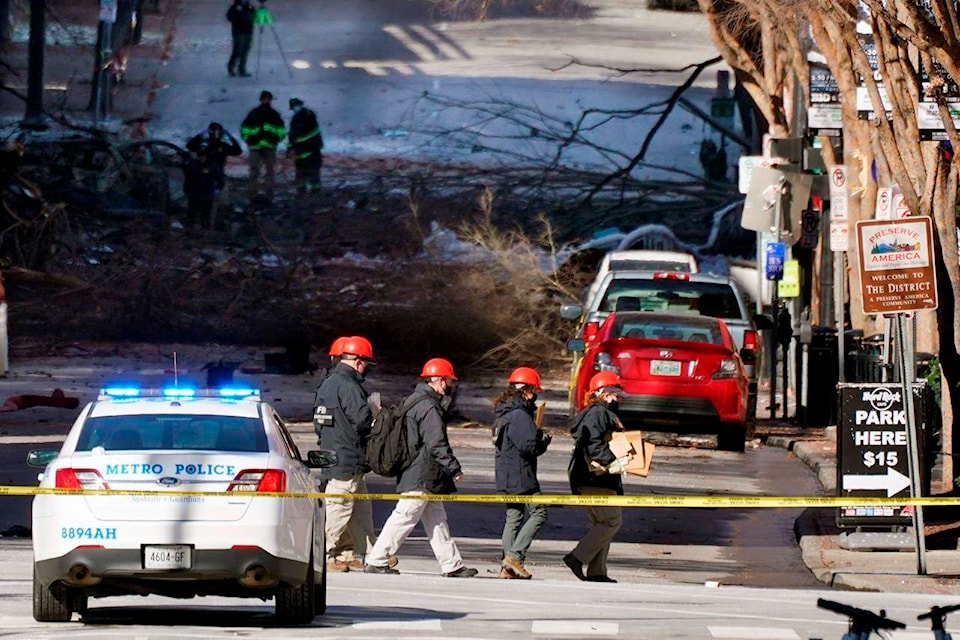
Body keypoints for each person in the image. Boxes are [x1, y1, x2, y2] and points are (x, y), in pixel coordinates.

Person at [364, 358, 478, 578]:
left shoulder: (415, 401)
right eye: (447, 381)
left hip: (419, 471)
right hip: (422, 473)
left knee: (437, 519)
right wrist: (454, 468)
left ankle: (452, 564)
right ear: (439, 381)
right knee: (404, 515)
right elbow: (436, 441)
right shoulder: (429, 406)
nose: (449, 386)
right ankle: (376, 560)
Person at [314, 336, 379, 572]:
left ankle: (356, 553)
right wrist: (376, 413)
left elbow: (319, 423)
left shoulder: (327, 384)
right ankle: (324, 553)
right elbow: (362, 421)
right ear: (359, 361)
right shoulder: (349, 386)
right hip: (348, 457)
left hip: (334, 454)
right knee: (339, 508)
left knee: (359, 510)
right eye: (366, 363)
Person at [564, 370, 625, 583]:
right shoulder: (598, 414)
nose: (618, 399)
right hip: (594, 478)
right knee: (611, 521)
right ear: (604, 393)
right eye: (615, 394)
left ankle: (597, 571)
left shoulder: (597, 413)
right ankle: (577, 557)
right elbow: (594, 444)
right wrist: (612, 461)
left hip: (591, 478)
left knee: (602, 523)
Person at [494, 366, 551, 579]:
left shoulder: (505, 411)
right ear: (526, 391)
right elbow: (528, 447)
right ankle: (514, 556)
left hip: (506, 474)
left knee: (514, 516)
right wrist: (542, 442)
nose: (535, 395)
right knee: (539, 512)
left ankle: (506, 568)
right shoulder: (519, 415)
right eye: (534, 390)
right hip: (521, 475)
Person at [186, 122, 242, 227]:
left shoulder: (222, 146)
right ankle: (199, 225)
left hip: (215, 177)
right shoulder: (206, 144)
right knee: (200, 206)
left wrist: (230, 137)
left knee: (212, 205)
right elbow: (190, 146)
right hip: (204, 178)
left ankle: (212, 224)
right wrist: (200, 135)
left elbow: (237, 151)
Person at [240, 90, 285, 201]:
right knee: (254, 171)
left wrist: (275, 141)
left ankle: (268, 195)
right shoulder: (253, 114)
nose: (266, 100)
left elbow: (282, 132)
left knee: (269, 172)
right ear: (261, 100)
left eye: (268, 99)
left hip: (269, 148)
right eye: (264, 98)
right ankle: (252, 195)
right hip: (255, 148)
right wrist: (250, 141)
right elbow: (244, 130)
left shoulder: (274, 115)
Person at [287, 98, 324, 194]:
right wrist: (289, 148)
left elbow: (313, 132)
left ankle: (315, 190)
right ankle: (301, 190)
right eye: (293, 107)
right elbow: (291, 135)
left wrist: (300, 140)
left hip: (312, 149)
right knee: (300, 172)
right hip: (300, 151)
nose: (295, 108)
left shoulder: (309, 115)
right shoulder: (295, 119)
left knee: (313, 170)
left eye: (296, 106)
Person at [182, 144, 219, 230]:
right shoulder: (193, 164)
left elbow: (217, 177)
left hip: (206, 194)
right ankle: (189, 230)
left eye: (203, 156)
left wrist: (217, 188)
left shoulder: (211, 165)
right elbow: (188, 176)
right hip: (195, 193)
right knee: (191, 213)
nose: (201, 158)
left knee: (205, 215)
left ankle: (205, 231)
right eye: (200, 156)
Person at [226, 0, 255, 77]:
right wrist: (239, 19)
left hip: (248, 31)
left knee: (245, 51)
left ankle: (242, 69)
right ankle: (231, 67)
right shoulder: (236, 6)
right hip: (238, 32)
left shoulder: (250, 7)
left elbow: (254, 16)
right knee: (237, 50)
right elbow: (229, 17)